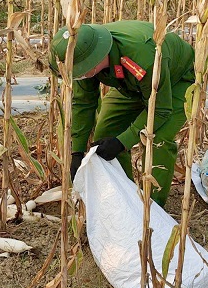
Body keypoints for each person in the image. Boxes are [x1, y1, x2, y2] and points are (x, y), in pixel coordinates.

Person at [50, 21, 195, 207]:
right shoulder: (81, 59)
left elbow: (160, 109)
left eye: (79, 72)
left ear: (94, 60)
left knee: (157, 139)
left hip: (174, 81)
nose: (78, 76)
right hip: (130, 85)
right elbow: (83, 103)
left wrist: (122, 142)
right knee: (105, 136)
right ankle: (124, 198)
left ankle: (152, 208)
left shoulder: (143, 57)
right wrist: (76, 151)